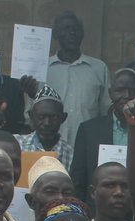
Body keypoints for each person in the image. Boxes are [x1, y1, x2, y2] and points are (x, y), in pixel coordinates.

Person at [70, 68, 135, 203]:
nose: (126, 95)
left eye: (132, 91)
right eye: (120, 90)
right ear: (110, 93)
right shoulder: (89, 130)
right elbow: (78, 180)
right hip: (97, 211)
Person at [44, 11, 110, 146]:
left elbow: (107, 110)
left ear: (82, 34)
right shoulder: (43, 68)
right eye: (66, 29)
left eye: (76, 29)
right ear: (56, 34)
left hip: (88, 143)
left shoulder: (99, 68)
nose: (72, 33)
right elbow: (31, 114)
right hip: (50, 144)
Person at [9, 85, 73, 170]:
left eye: (54, 117)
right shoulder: (17, 144)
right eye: (41, 117)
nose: (47, 123)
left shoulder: (71, 153)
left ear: (63, 118)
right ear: (31, 116)